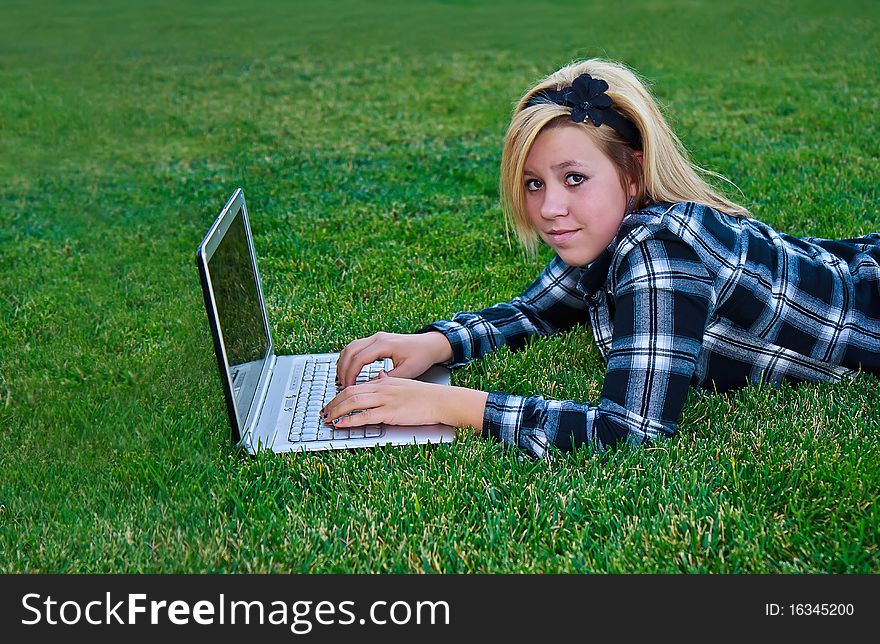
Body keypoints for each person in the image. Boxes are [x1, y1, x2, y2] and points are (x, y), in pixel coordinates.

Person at [320, 58, 880, 459]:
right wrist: (436, 344)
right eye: (534, 183)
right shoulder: (600, 229)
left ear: (631, 175)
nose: (551, 208)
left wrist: (449, 405)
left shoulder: (660, 252)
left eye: (573, 179)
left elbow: (630, 430)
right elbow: (539, 311)